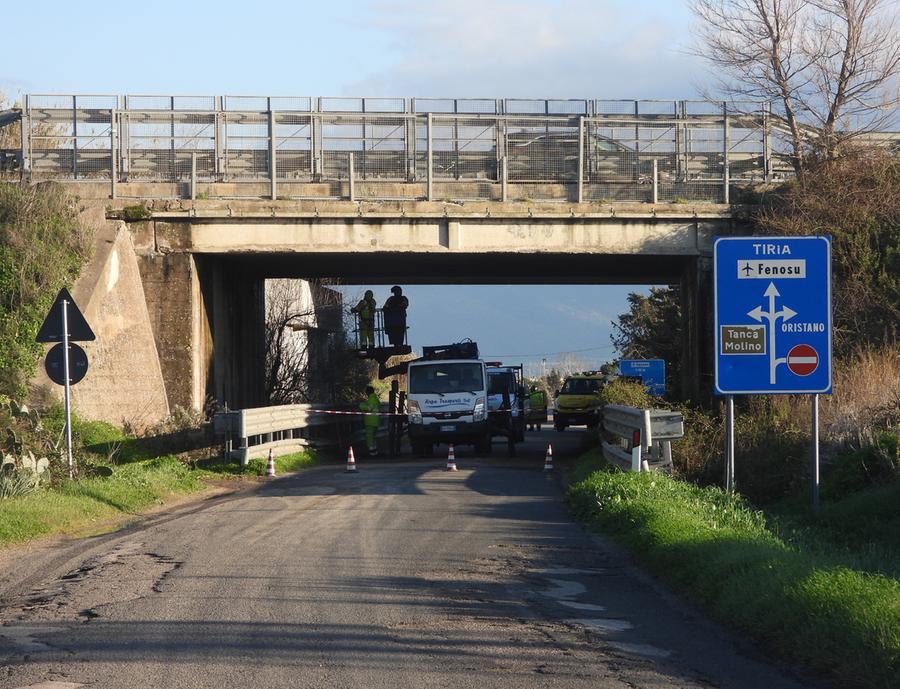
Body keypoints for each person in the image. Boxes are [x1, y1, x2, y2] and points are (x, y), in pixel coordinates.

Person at [359, 385, 381, 456]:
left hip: (370, 421)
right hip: (375, 421)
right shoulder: (376, 399)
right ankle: (375, 452)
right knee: (373, 437)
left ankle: (372, 452)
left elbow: (369, 408)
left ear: (368, 392)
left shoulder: (371, 399)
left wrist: (361, 405)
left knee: (369, 437)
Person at [388, 379, 406, 456]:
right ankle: (393, 450)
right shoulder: (393, 394)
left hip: (398, 416)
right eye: (394, 385)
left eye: (396, 385)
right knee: (393, 433)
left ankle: (396, 449)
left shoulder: (399, 395)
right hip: (394, 417)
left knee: (398, 432)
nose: (395, 387)